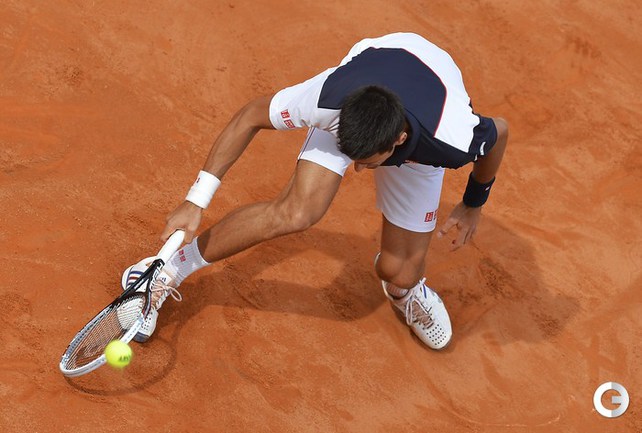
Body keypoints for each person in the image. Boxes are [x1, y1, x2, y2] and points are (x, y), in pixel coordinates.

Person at [122, 32, 508, 349]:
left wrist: (473, 203)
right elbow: (249, 117)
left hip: (429, 108)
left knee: (400, 271)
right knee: (298, 211)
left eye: (366, 162)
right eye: (351, 157)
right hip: (376, 70)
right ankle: (165, 270)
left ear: (399, 141)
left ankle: (405, 292)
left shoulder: (453, 140)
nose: (357, 170)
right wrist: (196, 200)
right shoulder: (329, 100)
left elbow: (500, 134)